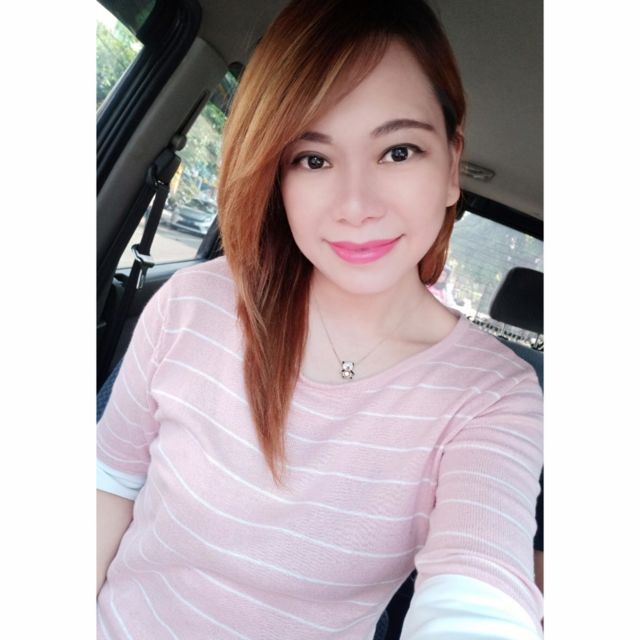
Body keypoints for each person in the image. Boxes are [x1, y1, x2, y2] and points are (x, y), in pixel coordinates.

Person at [96, 0, 544, 638]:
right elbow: (110, 481)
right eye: (313, 158)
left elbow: (480, 585)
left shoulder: (494, 395)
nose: (356, 206)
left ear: (451, 167)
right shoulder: (193, 304)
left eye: (398, 151)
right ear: (277, 176)